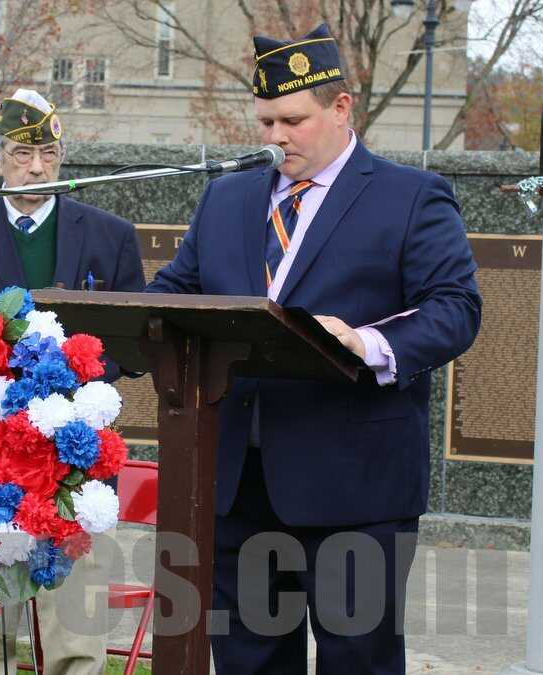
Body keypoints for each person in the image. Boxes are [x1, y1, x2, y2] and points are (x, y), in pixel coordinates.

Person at [146, 24, 481, 673]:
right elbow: (175, 293)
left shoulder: (410, 196)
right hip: (240, 488)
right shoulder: (226, 198)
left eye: (293, 121)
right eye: (266, 121)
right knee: (247, 663)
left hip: (356, 488)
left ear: (341, 107)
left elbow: (455, 308)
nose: (276, 137)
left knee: (357, 661)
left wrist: (365, 341)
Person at [0, 89, 145, 675]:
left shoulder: (109, 235)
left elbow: (136, 342)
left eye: (49, 154)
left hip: (72, 455)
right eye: (22, 153)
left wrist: (75, 373)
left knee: (73, 619)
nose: (37, 168)